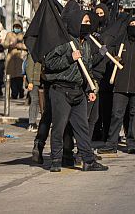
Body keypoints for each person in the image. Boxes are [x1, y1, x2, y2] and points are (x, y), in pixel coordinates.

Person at [42, 10, 107, 172]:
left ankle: (88, 160)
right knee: (59, 127)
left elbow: (87, 69)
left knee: (82, 128)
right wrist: (70, 57)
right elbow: (50, 63)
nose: (87, 25)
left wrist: (90, 88)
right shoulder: (64, 42)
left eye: (88, 22)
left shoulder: (85, 44)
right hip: (61, 90)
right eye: (84, 22)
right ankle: (56, 160)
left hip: (78, 91)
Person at [102, 16, 135, 155]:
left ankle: (132, 143)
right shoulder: (121, 43)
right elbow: (109, 57)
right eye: (131, 24)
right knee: (116, 115)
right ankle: (111, 143)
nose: (133, 26)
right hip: (120, 85)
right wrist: (115, 59)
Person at [4, 22, 28, 99]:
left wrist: (18, 45)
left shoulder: (23, 35)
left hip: (20, 58)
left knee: (19, 78)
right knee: (11, 77)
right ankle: (14, 93)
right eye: (15, 26)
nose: (16, 28)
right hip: (10, 58)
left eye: (18, 27)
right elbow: (4, 44)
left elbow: (27, 46)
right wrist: (9, 45)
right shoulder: (9, 34)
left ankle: (21, 91)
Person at [25, 52, 43, 131]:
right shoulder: (33, 53)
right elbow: (29, 67)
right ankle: (32, 123)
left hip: (41, 80)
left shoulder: (43, 51)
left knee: (40, 102)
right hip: (34, 81)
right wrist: (30, 81)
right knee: (34, 100)